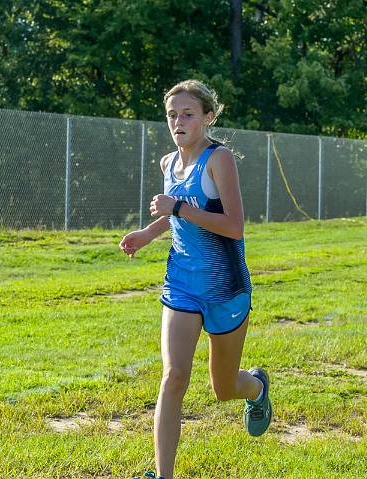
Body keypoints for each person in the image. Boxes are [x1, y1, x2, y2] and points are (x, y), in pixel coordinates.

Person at [119, 80, 272, 479]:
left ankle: (256, 389)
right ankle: (163, 476)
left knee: (223, 389)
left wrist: (178, 209)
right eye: (171, 115)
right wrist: (148, 234)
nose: (178, 121)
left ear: (208, 117)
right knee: (174, 377)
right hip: (181, 284)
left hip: (225, 290)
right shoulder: (168, 163)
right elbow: (175, 214)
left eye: (187, 114)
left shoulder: (219, 160)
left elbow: (234, 227)